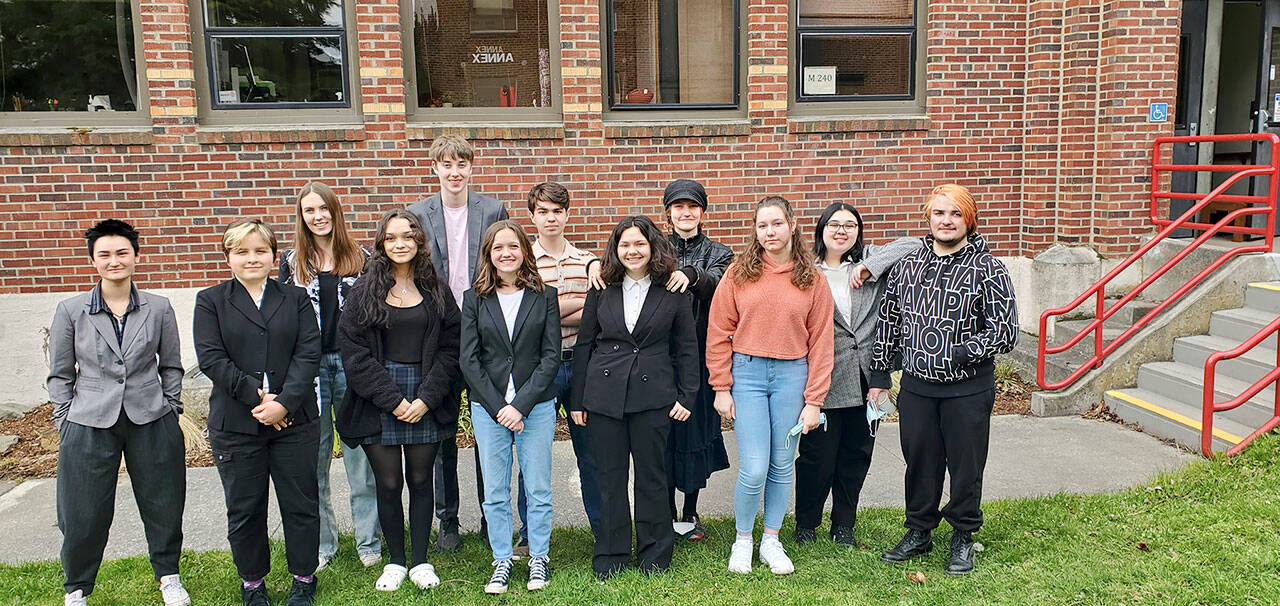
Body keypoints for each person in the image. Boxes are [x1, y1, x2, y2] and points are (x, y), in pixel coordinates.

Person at [868, 183, 1018, 576]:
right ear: (929, 217)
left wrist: (959, 352)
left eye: (954, 214)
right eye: (939, 213)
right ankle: (919, 531)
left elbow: (1005, 331)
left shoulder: (989, 269)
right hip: (917, 388)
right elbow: (889, 324)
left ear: (968, 219)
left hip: (968, 389)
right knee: (920, 461)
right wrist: (880, 376)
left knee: (966, 466)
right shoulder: (907, 267)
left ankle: (964, 535)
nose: (946, 221)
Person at [47, 220, 190, 606]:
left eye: (122, 252)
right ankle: (76, 587)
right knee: (83, 510)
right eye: (105, 254)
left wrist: (171, 406)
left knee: (163, 501)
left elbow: (172, 365)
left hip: (151, 417)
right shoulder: (71, 310)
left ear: (136, 256)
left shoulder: (158, 307)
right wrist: (65, 418)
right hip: (89, 420)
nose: (115, 261)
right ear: (93, 260)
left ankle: (169, 576)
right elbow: (59, 374)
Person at [194, 218, 322, 606]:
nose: (252, 258)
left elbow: (309, 352)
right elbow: (211, 359)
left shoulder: (295, 298)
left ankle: (303, 578)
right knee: (245, 507)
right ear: (228, 257)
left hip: (295, 420)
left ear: (273, 256)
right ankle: (253, 583)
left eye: (260, 250)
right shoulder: (211, 300)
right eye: (242, 251)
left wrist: (284, 403)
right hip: (236, 424)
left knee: (300, 503)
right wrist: (258, 398)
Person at [706, 196, 834, 576]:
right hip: (746, 374)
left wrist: (815, 401)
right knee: (755, 467)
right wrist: (721, 386)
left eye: (777, 223)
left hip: (792, 375)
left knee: (781, 464)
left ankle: (771, 540)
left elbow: (822, 342)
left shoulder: (812, 279)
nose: (770, 232)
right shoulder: (738, 274)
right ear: (756, 230)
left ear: (792, 224)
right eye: (763, 226)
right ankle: (743, 539)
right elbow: (718, 331)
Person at [335, 210, 460, 592]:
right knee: (387, 483)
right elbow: (353, 353)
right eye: (391, 238)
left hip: (425, 393)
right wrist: (391, 400)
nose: (400, 244)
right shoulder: (363, 291)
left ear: (419, 242)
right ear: (382, 244)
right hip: (377, 397)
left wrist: (425, 398)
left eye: (408, 236)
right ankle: (395, 562)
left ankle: (421, 561)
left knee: (421, 480)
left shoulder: (437, 289)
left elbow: (451, 348)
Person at [570, 216, 699, 580]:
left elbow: (687, 349)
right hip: (604, 395)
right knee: (609, 477)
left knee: (652, 476)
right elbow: (583, 344)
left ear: (652, 246)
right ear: (615, 249)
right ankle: (611, 553)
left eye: (639, 244)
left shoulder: (673, 290)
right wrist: (577, 400)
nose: (632, 251)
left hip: (653, 395)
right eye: (624, 245)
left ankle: (655, 551)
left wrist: (687, 396)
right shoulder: (602, 287)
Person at [793, 203, 918, 547]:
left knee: (857, 455)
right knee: (817, 456)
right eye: (834, 224)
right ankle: (806, 523)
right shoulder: (805, 270)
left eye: (850, 225)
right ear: (821, 230)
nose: (841, 231)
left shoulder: (871, 264)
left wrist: (868, 265)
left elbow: (916, 244)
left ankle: (843, 524)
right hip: (824, 379)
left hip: (869, 378)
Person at [406, 134, 508, 551]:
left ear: (471, 167)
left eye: (461, 164)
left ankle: (491, 516)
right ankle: (447, 520)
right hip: (440, 330)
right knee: (442, 427)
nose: (454, 172)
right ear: (435, 168)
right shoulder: (417, 214)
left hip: (484, 328)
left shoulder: (492, 209)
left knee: (488, 427)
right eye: (446, 165)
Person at [277, 182, 383, 571]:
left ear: (335, 212)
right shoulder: (291, 262)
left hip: (352, 366)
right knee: (314, 460)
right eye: (309, 211)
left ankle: (370, 541)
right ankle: (323, 544)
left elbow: (375, 316)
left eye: (324, 209)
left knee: (361, 461)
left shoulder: (364, 257)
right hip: (309, 371)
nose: (317, 216)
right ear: (301, 217)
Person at [459, 220, 561, 594]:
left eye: (513, 246)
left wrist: (519, 405)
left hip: (535, 405)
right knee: (495, 490)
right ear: (489, 253)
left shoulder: (545, 296)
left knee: (537, 487)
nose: (506, 253)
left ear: (524, 251)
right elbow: (469, 361)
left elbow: (551, 357)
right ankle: (501, 559)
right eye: (498, 247)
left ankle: (538, 557)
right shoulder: (474, 299)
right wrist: (499, 405)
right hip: (489, 409)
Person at [518, 181, 605, 547]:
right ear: (532, 216)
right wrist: (569, 305)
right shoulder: (523, 262)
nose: (550, 218)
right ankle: (528, 534)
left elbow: (597, 312)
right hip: (541, 368)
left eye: (557, 211)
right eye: (543, 211)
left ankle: (604, 530)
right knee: (532, 455)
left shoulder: (588, 261)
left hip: (583, 364)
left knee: (594, 453)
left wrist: (551, 306)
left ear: (568, 214)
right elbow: (531, 318)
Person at [660, 179, 732, 541]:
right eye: (678, 207)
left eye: (692, 207)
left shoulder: (720, 253)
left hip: (703, 357)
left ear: (702, 212)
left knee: (693, 432)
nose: (685, 213)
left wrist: (692, 275)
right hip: (660, 359)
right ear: (668, 213)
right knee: (663, 435)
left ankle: (690, 510)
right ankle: (666, 512)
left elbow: (719, 284)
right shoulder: (655, 249)